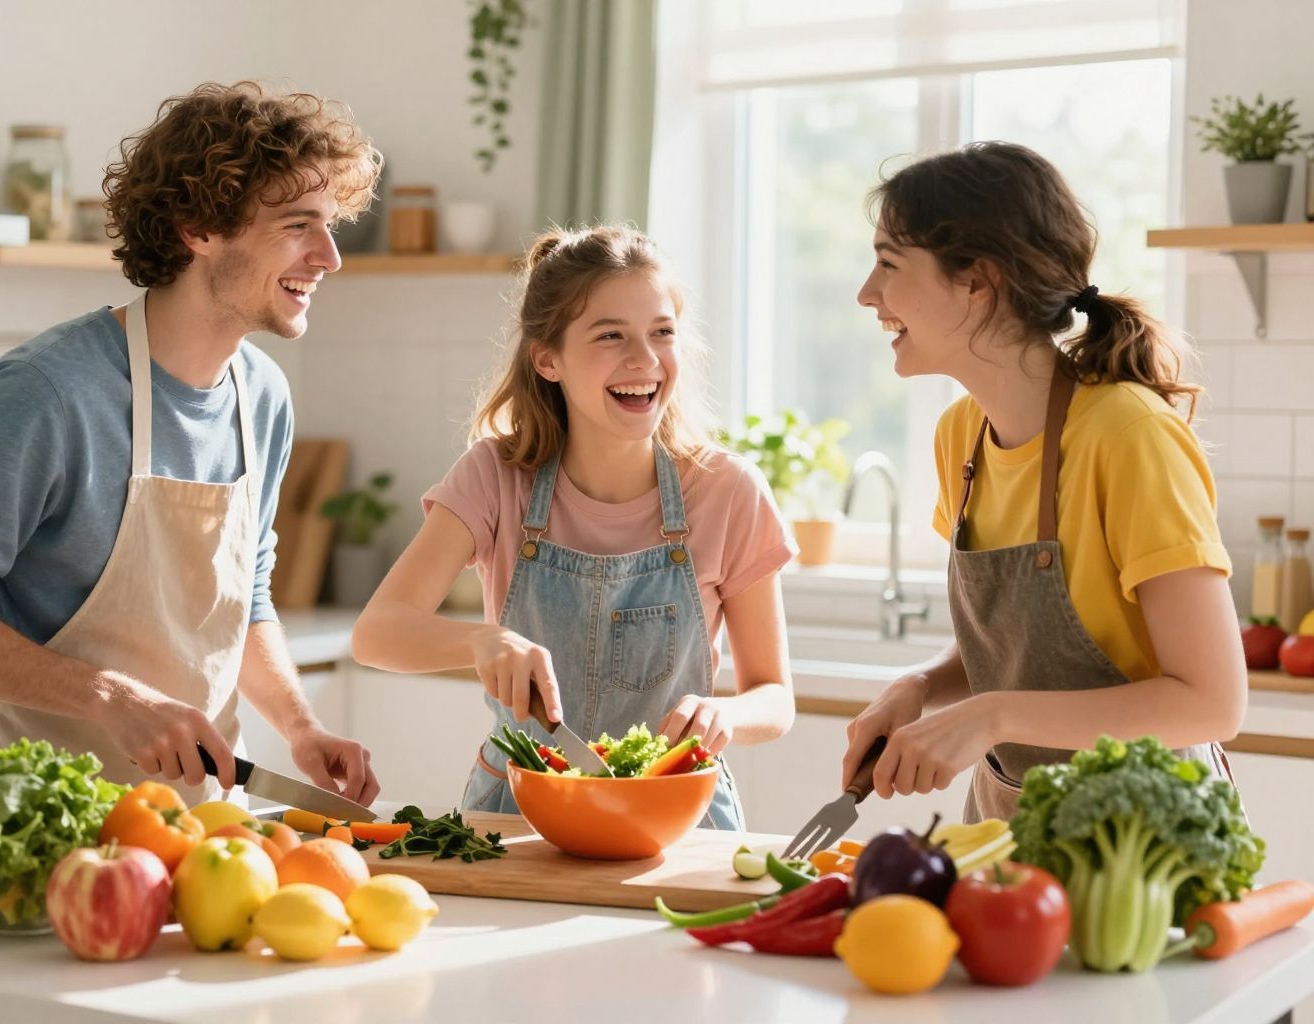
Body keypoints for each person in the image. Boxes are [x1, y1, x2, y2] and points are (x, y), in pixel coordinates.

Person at [0, 82, 382, 806]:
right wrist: (113, 697)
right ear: (199, 226)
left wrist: (300, 730)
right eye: (299, 225)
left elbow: (246, 596)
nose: (329, 256)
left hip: (197, 826)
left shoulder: (261, 395)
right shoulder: (50, 393)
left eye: (330, 225)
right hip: (40, 821)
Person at [846, 142, 1246, 822]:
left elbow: (1211, 702)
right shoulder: (960, 438)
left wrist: (992, 716)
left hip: (1145, 841)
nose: (867, 293)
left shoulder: (1127, 436)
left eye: (888, 263)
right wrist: (921, 686)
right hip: (1009, 822)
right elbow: (1020, 654)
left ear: (978, 281)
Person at [349, 225, 797, 829]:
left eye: (661, 333)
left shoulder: (727, 490)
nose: (644, 360)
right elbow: (377, 634)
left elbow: (775, 696)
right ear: (548, 358)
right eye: (610, 335)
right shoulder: (495, 476)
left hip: (676, 817)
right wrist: (480, 641)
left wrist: (727, 717)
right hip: (518, 812)